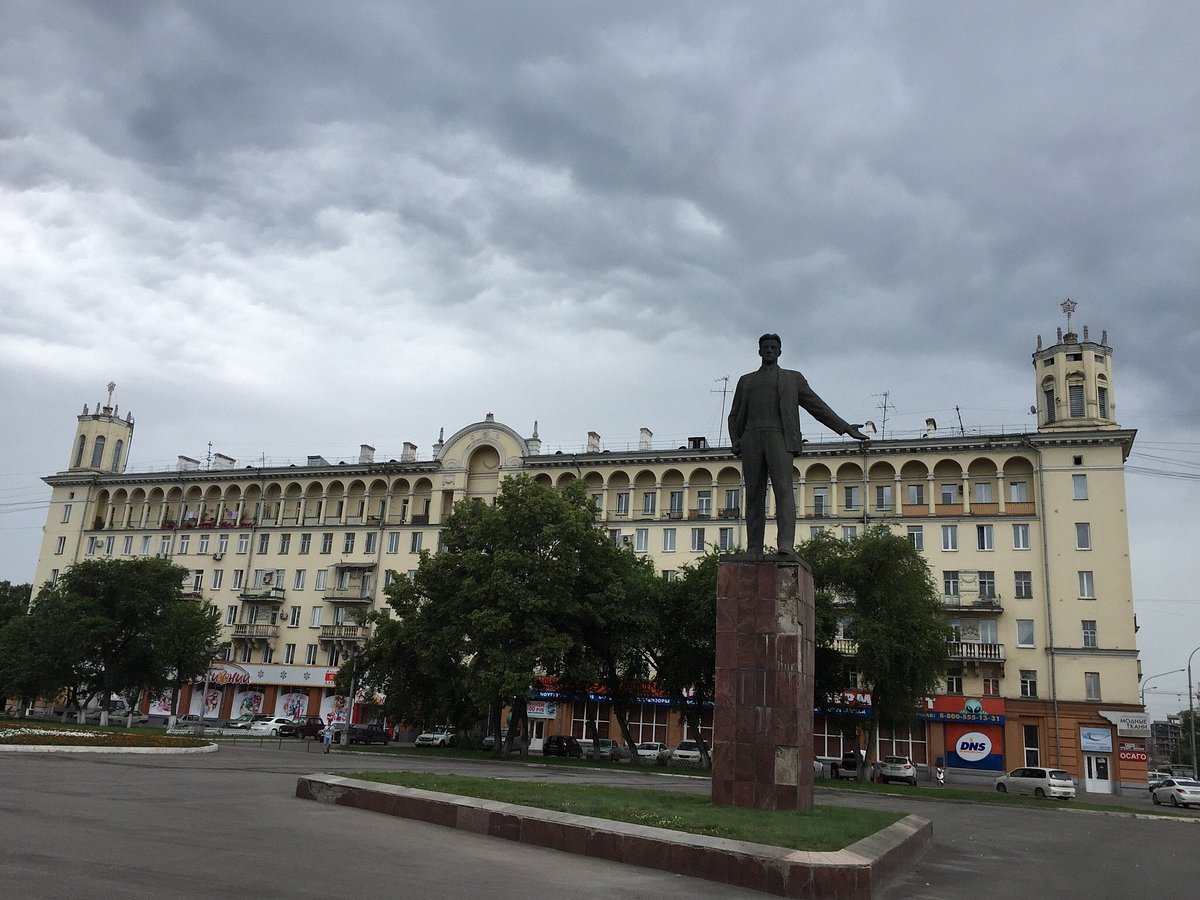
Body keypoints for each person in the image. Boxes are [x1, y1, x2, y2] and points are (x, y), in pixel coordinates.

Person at [728, 333, 869, 555]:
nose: (770, 351)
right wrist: (735, 440)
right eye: (766, 347)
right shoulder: (746, 381)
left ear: (780, 351)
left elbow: (816, 406)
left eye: (774, 347)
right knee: (753, 494)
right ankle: (754, 548)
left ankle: (785, 545)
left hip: (780, 438)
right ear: (759, 351)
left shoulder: (792, 379)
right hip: (751, 438)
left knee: (784, 491)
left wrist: (845, 428)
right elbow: (734, 415)